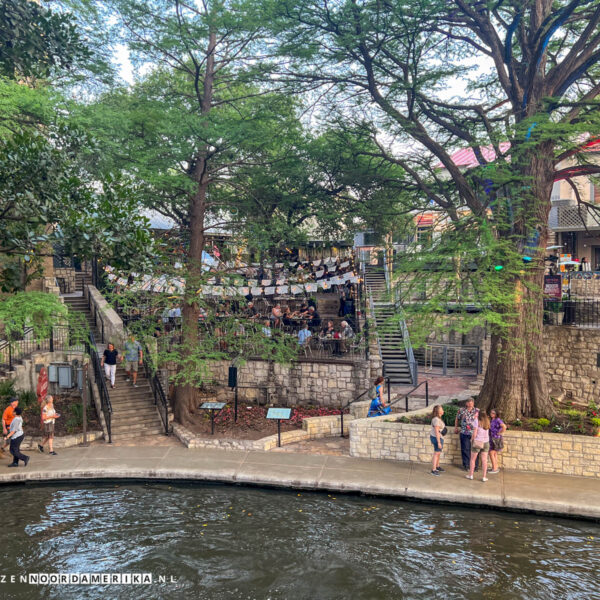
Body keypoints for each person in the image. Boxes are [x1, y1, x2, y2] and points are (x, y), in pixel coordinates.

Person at [454, 398, 480, 471]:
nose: (470, 404)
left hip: (475, 433)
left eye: (471, 402)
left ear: (473, 403)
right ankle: (466, 465)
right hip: (464, 432)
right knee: (465, 449)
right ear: (466, 403)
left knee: (475, 450)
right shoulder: (461, 410)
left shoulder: (477, 411)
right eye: (468, 402)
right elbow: (457, 418)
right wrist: (456, 427)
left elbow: (481, 420)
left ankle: (475, 466)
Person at [467, 409, 490, 482]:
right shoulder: (487, 421)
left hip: (478, 441)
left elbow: (475, 433)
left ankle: (471, 475)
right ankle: (484, 476)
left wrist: (472, 439)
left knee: (473, 459)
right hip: (486, 442)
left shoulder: (477, 421)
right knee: (484, 460)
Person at [489, 409, 507, 474]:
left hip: (495, 439)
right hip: (492, 438)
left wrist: (500, 432)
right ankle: (495, 467)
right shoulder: (492, 420)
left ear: (496, 414)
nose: (491, 414)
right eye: (491, 412)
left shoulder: (498, 420)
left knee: (491, 453)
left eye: (493, 413)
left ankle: (494, 468)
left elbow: (504, 426)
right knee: (494, 453)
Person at [430, 405, 445, 476]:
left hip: (439, 438)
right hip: (437, 438)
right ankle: (433, 470)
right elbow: (436, 431)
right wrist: (439, 442)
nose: (443, 410)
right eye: (441, 409)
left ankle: (437, 466)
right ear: (438, 411)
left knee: (438, 453)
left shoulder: (438, 418)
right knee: (436, 453)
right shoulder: (436, 419)